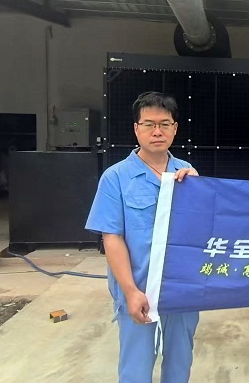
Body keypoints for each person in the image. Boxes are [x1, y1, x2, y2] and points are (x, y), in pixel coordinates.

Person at [86, 91, 200, 383]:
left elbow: (201, 231)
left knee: (180, 364)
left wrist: (199, 191)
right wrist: (130, 291)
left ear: (175, 128)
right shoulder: (116, 178)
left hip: (181, 291)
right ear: (136, 129)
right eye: (149, 124)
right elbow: (112, 238)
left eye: (164, 124)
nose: (157, 131)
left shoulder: (187, 175)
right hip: (139, 291)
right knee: (136, 369)